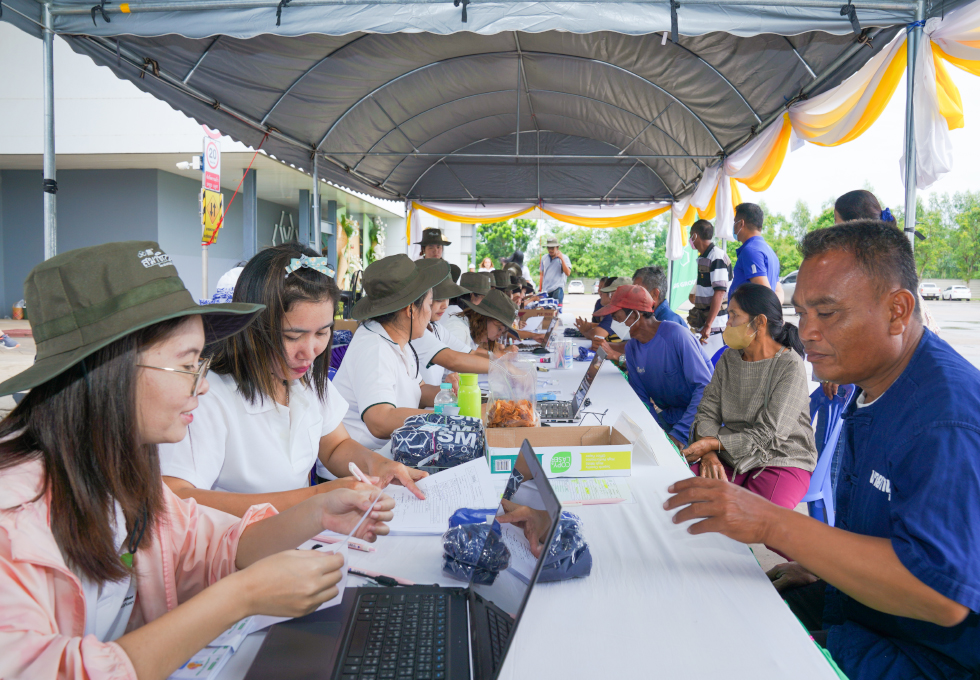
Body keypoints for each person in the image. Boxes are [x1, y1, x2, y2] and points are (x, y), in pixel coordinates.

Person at [0, 241, 394, 680]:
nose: (202, 387)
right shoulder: (12, 522)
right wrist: (241, 596)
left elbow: (211, 546)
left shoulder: (117, 476)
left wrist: (319, 511)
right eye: (188, 365)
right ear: (111, 372)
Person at [665, 221, 980, 680]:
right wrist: (827, 568)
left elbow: (940, 595)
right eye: (801, 312)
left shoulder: (945, 420)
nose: (806, 331)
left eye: (827, 313)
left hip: (926, 655)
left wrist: (774, 522)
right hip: (861, 610)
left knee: (722, 651)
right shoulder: (874, 383)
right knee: (704, 601)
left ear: (897, 310)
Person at [159, 244, 426, 516]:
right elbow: (178, 498)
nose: (309, 352)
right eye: (292, 337)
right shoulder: (208, 396)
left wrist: (376, 464)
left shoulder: (304, 377)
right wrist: (315, 497)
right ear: (253, 328)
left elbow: (334, 446)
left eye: (322, 333)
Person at [681, 283, 816, 513]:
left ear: (760, 322)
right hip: (730, 453)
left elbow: (770, 434)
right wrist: (710, 453)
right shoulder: (729, 358)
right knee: (686, 495)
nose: (729, 323)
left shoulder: (789, 365)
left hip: (781, 457)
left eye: (734, 316)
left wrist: (714, 443)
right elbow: (707, 412)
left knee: (764, 520)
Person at [332, 254, 449, 451]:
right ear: (410, 309)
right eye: (429, 304)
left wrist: (450, 394)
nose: (430, 313)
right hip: (359, 466)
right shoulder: (374, 348)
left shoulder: (397, 340)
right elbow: (380, 420)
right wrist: (446, 420)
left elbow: (419, 391)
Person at [594, 285, 713, 450]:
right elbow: (642, 400)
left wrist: (679, 434)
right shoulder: (632, 349)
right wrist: (654, 435)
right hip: (671, 418)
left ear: (635, 315)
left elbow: (705, 389)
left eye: (617, 317)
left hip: (700, 421)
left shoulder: (677, 336)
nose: (615, 324)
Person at [409, 260, 491, 389]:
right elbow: (454, 360)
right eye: (438, 299)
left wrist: (501, 362)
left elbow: (470, 354)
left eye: (447, 298)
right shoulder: (417, 333)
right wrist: (502, 369)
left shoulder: (436, 327)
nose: (445, 305)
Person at [687, 219, 732, 346]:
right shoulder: (704, 257)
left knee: (712, 362)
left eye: (691, 235)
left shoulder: (716, 257)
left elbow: (719, 292)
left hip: (714, 326)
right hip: (704, 322)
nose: (690, 239)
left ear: (695, 235)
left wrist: (708, 325)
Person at [730, 202, 780, 300]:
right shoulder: (769, 251)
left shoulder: (751, 251)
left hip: (748, 315)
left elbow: (765, 294)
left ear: (741, 223)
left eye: (734, 222)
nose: (734, 227)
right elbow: (778, 291)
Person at [460, 290, 521, 356]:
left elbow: (472, 352)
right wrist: (499, 355)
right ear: (485, 318)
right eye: (499, 329)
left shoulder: (473, 334)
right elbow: (458, 359)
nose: (498, 336)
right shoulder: (459, 328)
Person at [442, 272, 491, 346]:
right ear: (472, 296)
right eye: (483, 298)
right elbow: (455, 355)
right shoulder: (456, 318)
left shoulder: (462, 314)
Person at [538, 238, 571, 307]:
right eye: (548, 248)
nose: (550, 250)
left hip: (557, 289)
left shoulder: (565, 258)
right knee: (546, 313)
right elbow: (542, 274)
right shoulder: (544, 258)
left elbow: (568, 273)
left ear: (557, 248)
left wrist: (561, 259)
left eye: (552, 248)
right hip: (546, 290)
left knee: (556, 311)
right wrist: (540, 289)